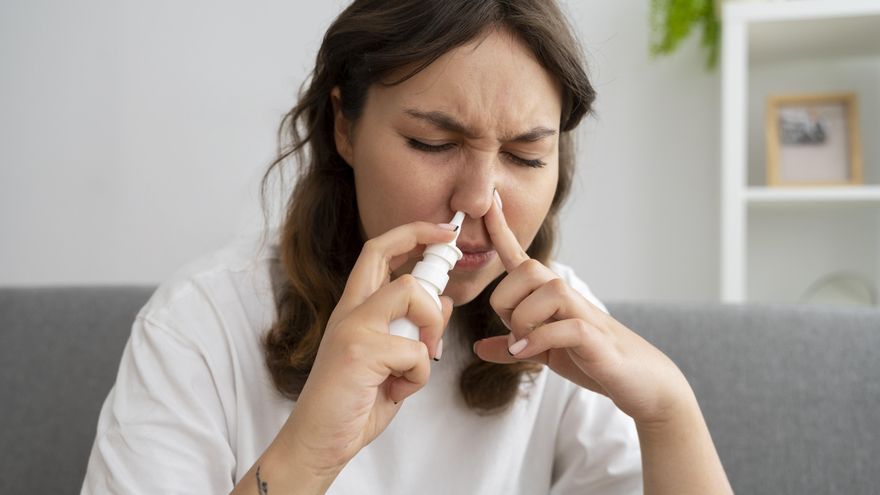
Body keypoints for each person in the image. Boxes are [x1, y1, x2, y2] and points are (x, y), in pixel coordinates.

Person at [81, 1, 733, 494]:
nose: (479, 198)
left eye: (526, 155)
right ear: (344, 126)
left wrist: (670, 409)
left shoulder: (565, 336)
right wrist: (308, 451)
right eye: (432, 143)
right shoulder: (200, 325)